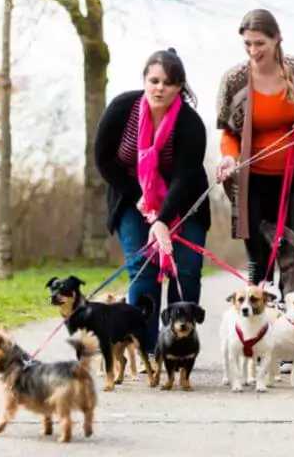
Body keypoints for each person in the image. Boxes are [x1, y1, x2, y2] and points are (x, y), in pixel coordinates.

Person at [215, 9, 294, 373]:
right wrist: (228, 159)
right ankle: (255, 341)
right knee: (259, 260)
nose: (252, 50)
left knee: (292, 263)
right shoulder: (234, 79)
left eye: (259, 43)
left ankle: (290, 347)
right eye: (247, 44)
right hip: (252, 179)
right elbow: (228, 133)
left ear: (277, 39)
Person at [94, 48, 211, 368]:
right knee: (142, 268)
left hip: (183, 201)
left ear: (180, 87)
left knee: (185, 271)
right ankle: (146, 348)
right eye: (154, 80)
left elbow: (185, 176)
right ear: (145, 80)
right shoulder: (122, 108)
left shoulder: (189, 123)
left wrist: (160, 220)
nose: (160, 88)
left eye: (168, 83)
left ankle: (180, 349)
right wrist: (142, 202)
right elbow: (103, 160)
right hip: (131, 195)